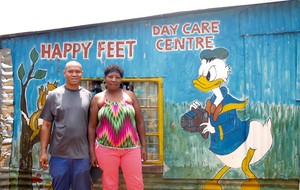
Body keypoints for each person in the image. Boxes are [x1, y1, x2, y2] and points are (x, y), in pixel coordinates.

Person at [88, 64, 147, 190]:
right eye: (110, 77)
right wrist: (92, 152)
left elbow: (140, 122)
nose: (114, 80)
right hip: (105, 148)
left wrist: (144, 147)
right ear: (105, 78)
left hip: (131, 148)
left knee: (136, 184)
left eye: (117, 77)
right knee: (109, 184)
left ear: (121, 79)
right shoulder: (98, 98)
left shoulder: (130, 96)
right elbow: (92, 127)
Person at [39, 60, 92, 190]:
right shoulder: (53, 95)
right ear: (64, 73)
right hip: (59, 156)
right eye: (70, 71)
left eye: (77, 71)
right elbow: (46, 125)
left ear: (82, 73)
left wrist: (93, 153)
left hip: (82, 156)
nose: (74, 74)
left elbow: (92, 127)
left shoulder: (88, 96)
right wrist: (43, 152)